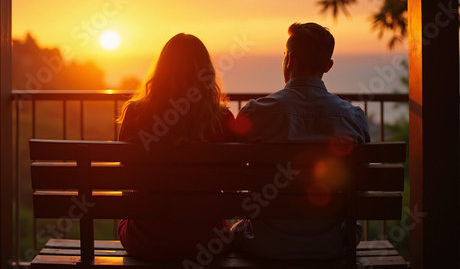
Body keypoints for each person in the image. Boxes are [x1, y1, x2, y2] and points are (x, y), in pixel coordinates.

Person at [231, 22, 370, 259]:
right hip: (335, 244)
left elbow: (230, 170)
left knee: (236, 230)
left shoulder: (254, 114)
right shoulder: (353, 118)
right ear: (328, 66)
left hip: (265, 244)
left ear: (290, 60)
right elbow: (363, 184)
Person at [116, 33, 235, 261]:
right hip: (207, 240)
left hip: (147, 238)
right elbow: (231, 190)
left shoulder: (136, 115)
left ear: (161, 71)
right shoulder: (223, 118)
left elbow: (126, 178)